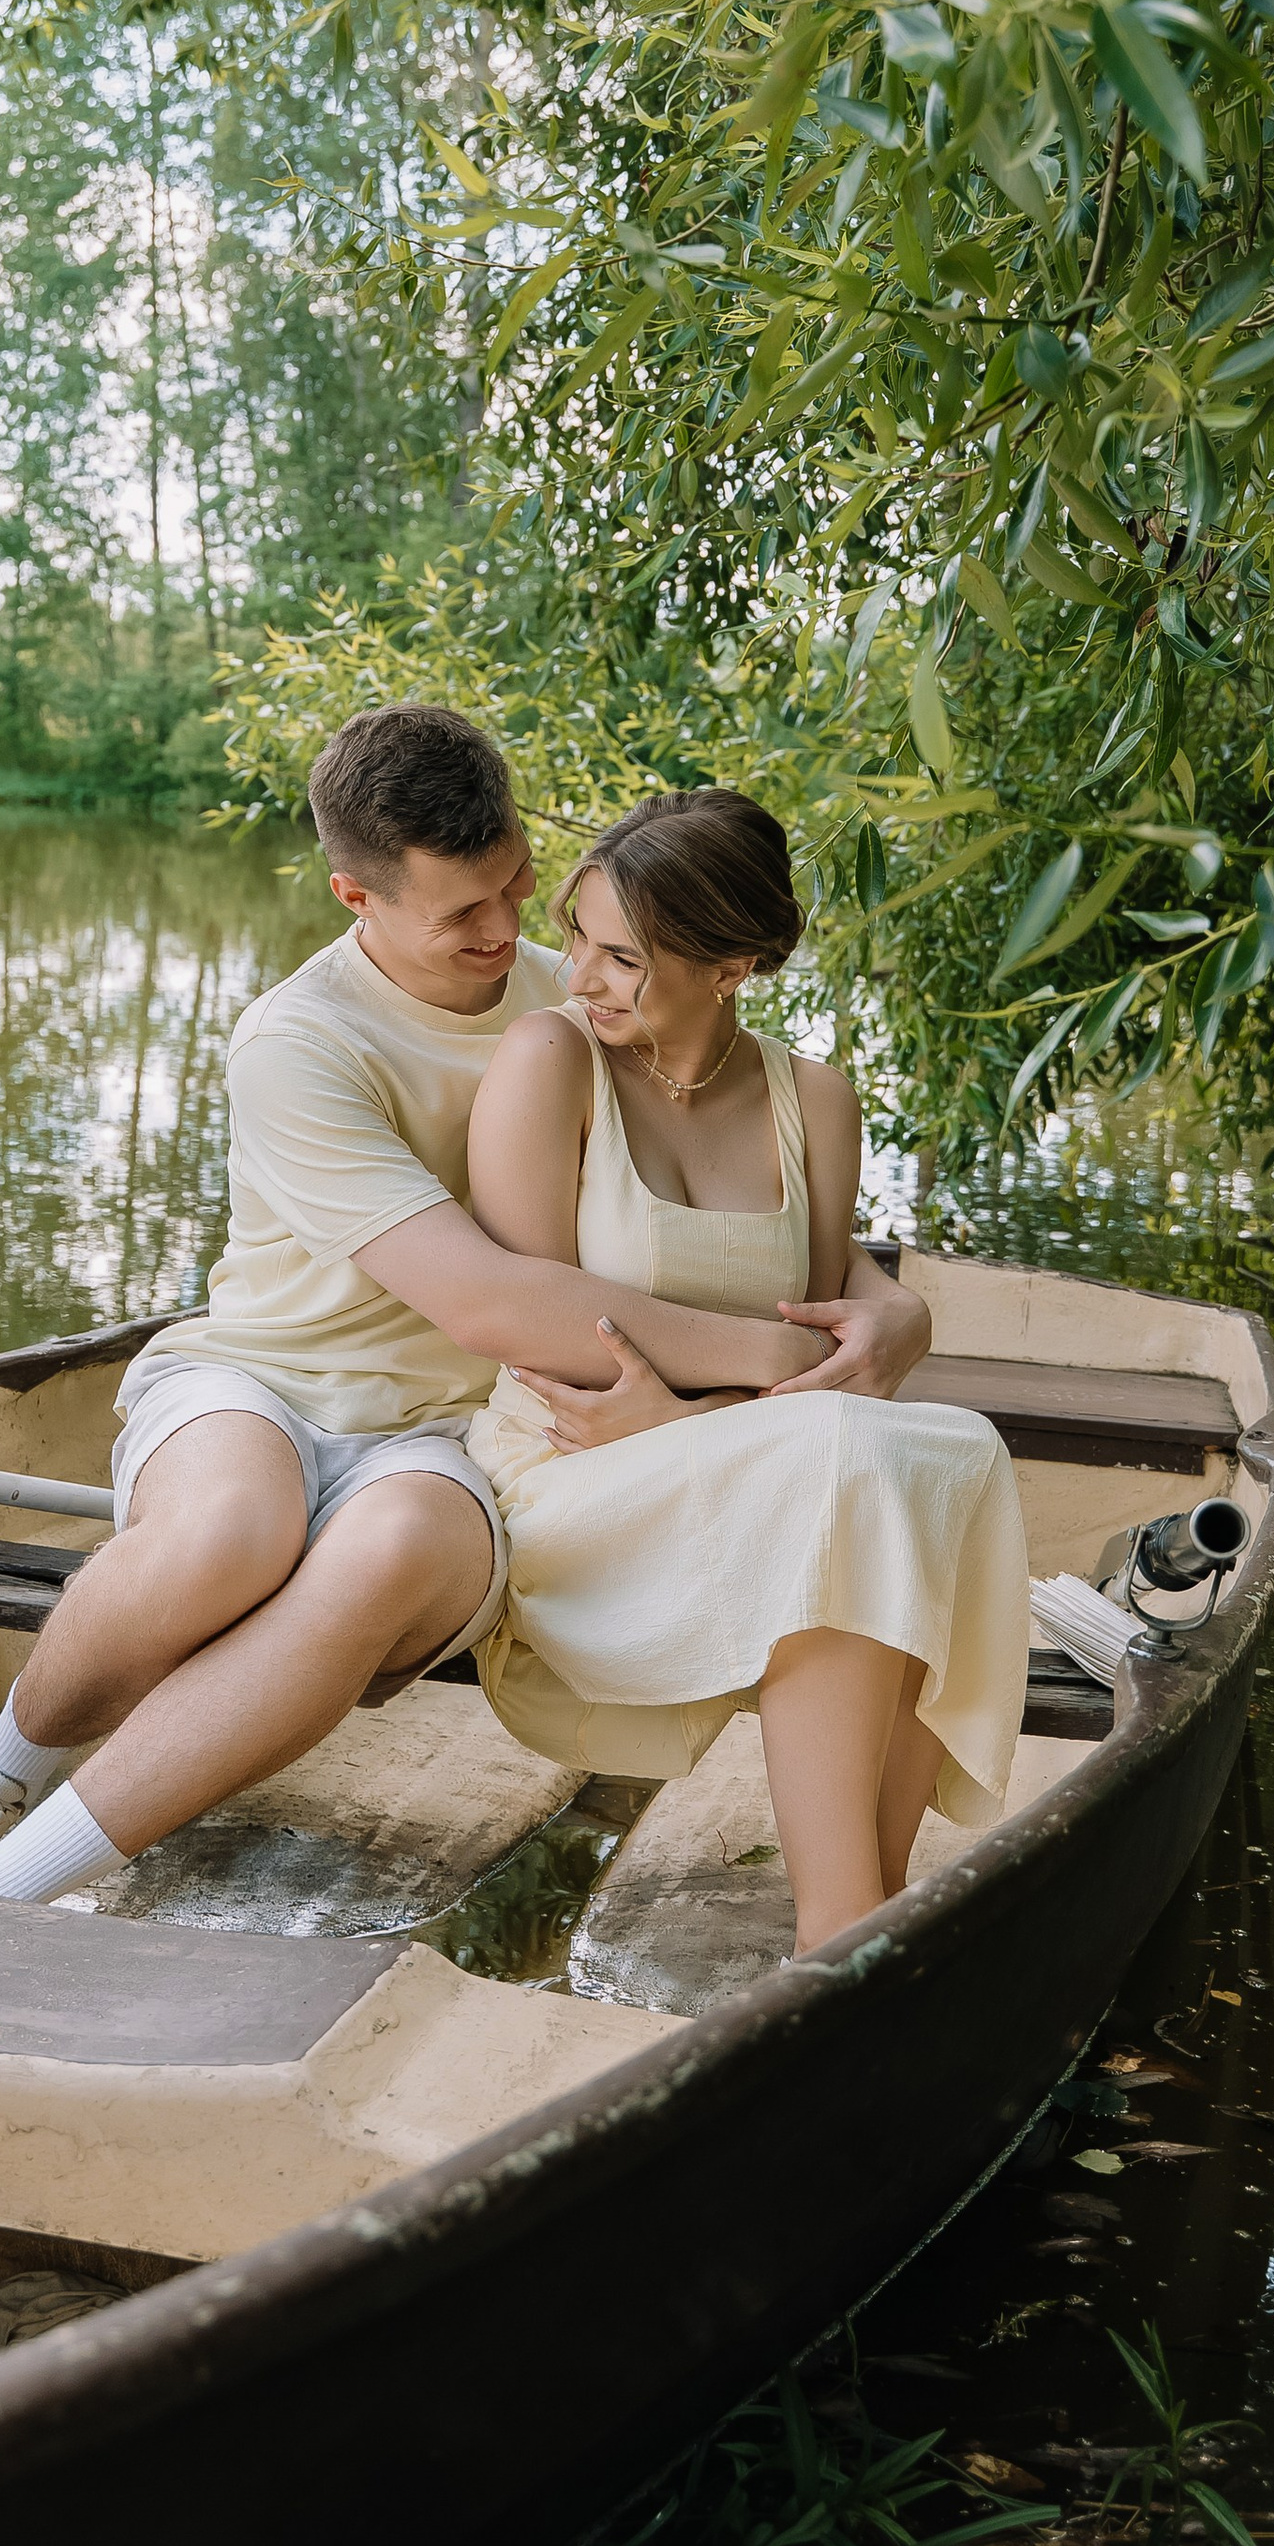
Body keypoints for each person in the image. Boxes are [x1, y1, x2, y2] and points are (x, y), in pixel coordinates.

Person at [0, 704, 933, 1900]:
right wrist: (779, 1356)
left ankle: (11, 1890)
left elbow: (723, 1196)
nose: (507, 931)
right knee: (229, 1538)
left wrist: (886, 1305)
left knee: (388, 1549)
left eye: (514, 884)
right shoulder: (300, 1044)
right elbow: (482, 1297)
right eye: (464, 911)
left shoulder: (582, 996)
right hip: (258, 1378)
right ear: (358, 898)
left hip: (458, 1433)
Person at [458, 786, 1029, 1951]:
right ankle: (844, 1923)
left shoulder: (809, 1100)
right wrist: (682, 1420)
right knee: (838, 1468)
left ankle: (876, 1888)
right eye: (575, 936)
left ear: (736, 964)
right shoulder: (548, 1061)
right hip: (573, 1460)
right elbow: (535, 1322)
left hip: (724, 1446)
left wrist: (873, 1325)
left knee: (956, 1449)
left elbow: (817, 1336)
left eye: (622, 956)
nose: (578, 976)